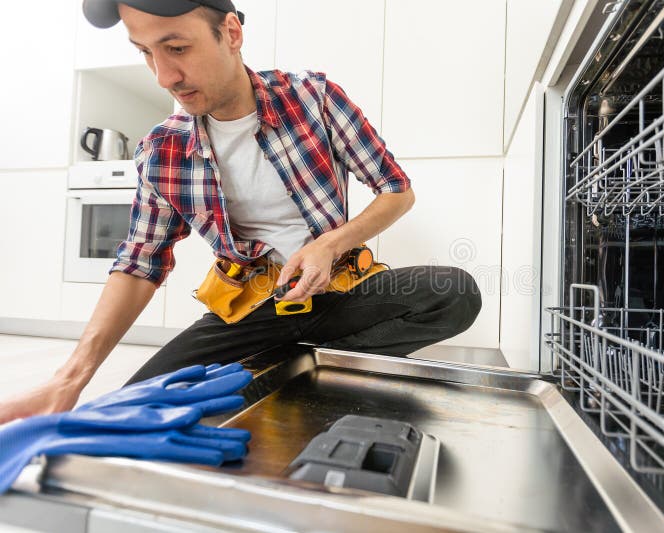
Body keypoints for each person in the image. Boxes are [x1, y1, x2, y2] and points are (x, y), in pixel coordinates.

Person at [0, 0, 481, 424]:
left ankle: (284, 369)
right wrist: (70, 379)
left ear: (231, 33)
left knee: (453, 293)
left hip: (338, 292)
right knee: (135, 407)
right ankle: (299, 369)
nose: (164, 76)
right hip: (248, 310)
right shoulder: (162, 149)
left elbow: (396, 190)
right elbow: (140, 262)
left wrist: (329, 245)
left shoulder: (314, 98)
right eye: (146, 52)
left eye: (177, 48)